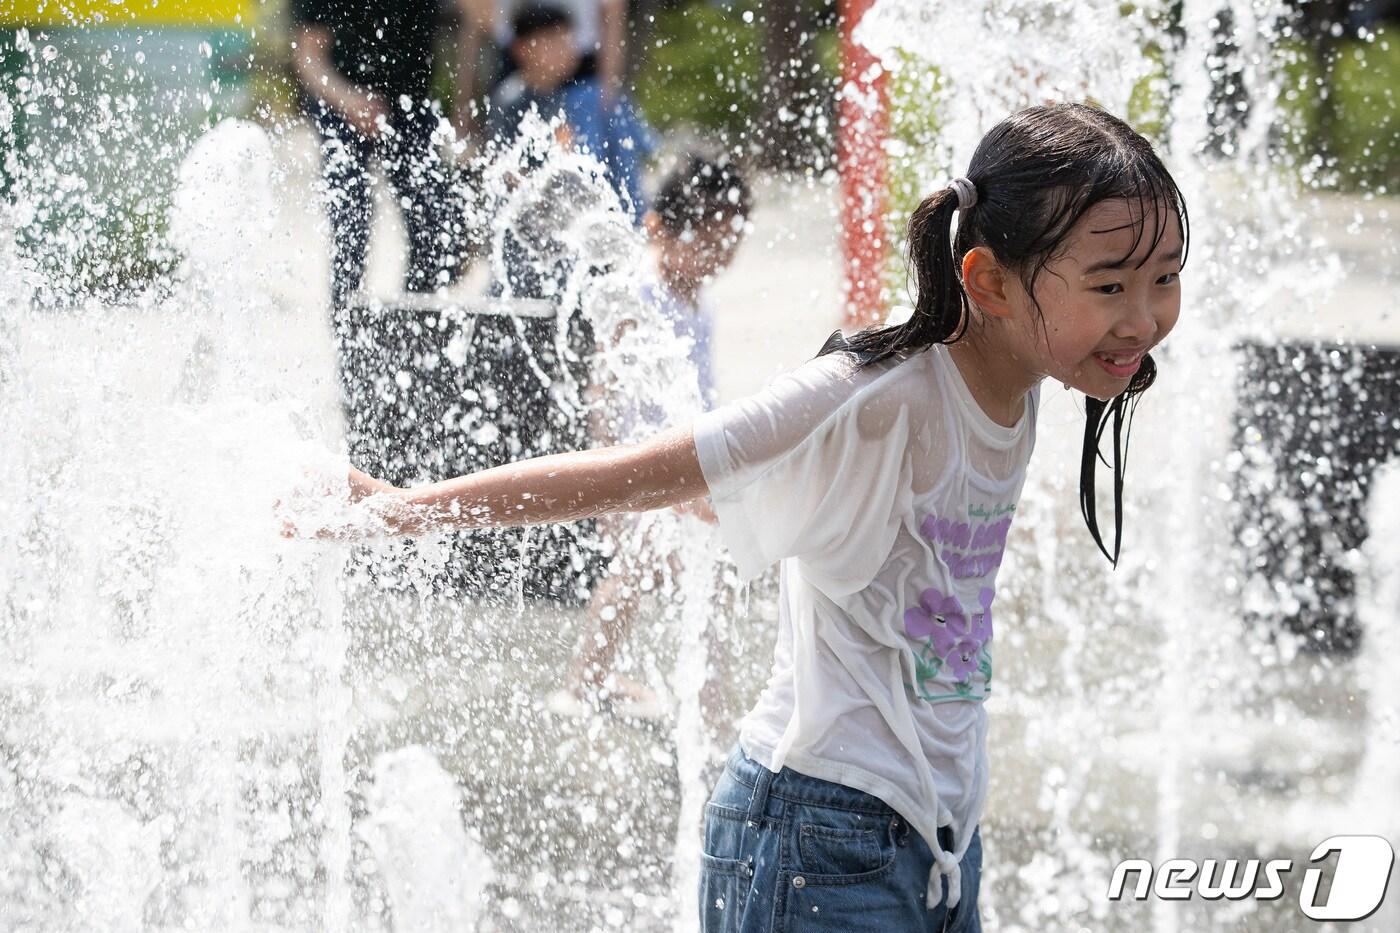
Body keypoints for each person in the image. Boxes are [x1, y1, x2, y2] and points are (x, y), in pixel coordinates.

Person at [283, 102, 1189, 930]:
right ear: (988, 281)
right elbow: (642, 471)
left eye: (1165, 279)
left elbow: (758, 504)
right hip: (821, 836)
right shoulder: (873, 394)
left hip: (940, 839)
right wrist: (397, 511)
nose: (1144, 319)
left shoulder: (1022, 385)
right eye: (1112, 287)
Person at [547, 155, 753, 719]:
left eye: (730, 244)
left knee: (680, 574)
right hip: (638, 464)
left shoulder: (694, 298)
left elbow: (698, 389)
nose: (719, 258)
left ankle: (605, 683)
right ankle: (698, 704)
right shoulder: (639, 293)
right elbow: (603, 389)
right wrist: (610, 483)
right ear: (658, 226)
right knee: (649, 572)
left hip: (683, 461)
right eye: (708, 242)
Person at [290, 0, 469, 309]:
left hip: (410, 102)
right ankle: (349, 332)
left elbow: (475, 25)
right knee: (350, 216)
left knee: (435, 224)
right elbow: (308, 58)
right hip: (339, 99)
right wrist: (349, 101)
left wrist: (462, 115)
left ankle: (416, 325)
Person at [484, 4, 655, 216]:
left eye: (568, 41)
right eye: (554, 43)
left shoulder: (572, 98)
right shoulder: (511, 99)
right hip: (530, 211)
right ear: (522, 49)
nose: (566, 50)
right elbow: (503, 165)